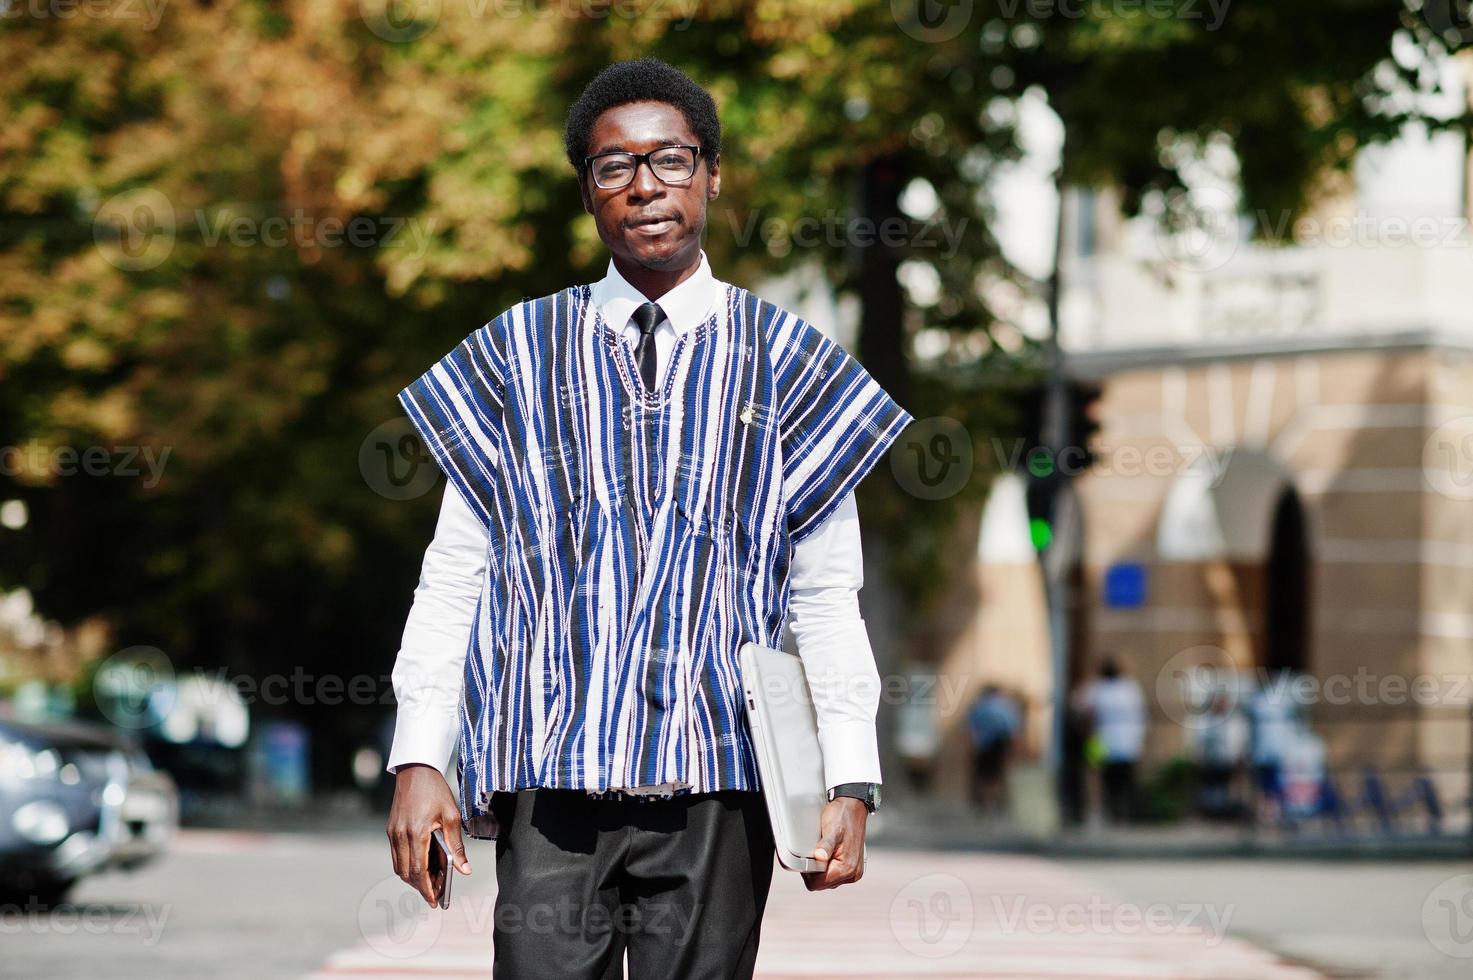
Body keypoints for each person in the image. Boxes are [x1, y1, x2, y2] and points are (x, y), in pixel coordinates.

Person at [382, 58, 914, 980]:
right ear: (587, 192)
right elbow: (454, 572)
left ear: (712, 172)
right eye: (613, 167)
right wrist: (420, 756)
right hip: (549, 777)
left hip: (719, 783)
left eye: (669, 160)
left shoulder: (789, 361)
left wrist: (850, 777)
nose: (644, 187)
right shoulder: (517, 352)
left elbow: (827, 595)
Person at [1080, 657, 1146, 824]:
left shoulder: (1097, 689)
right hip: (1129, 740)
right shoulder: (1131, 688)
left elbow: (1086, 711)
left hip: (1102, 739)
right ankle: (1124, 814)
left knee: (1096, 775)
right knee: (1126, 780)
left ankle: (1098, 810)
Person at [1193, 690, 1249, 820]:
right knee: (1211, 789)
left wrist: (1239, 758)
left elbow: (1240, 740)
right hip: (1210, 761)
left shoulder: (1235, 721)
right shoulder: (1205, 720)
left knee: (1229, 790)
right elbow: (1199, 741)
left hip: (1228, 761)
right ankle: (1211, 814)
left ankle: (1227, 813)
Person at [965, 685, 1020, 813]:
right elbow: (1012, 729)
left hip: (983, 744)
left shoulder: (979, 706)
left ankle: (985, 801)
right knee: (996, 774)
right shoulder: (1005, 707)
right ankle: (992, 801)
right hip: (999, 744)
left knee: (984, 774)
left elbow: (970, 727)